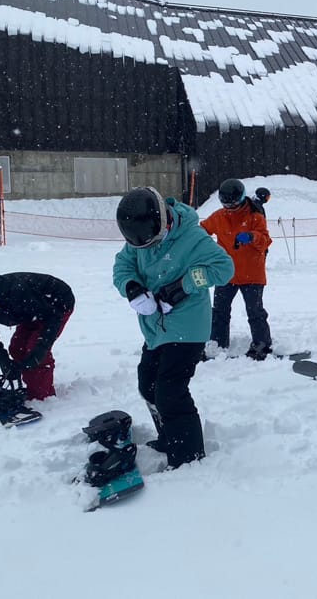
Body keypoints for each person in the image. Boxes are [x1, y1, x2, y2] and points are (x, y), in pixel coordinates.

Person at [113, 186, 234, 469]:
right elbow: (122, 266)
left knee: (170, 391)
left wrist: (183, 286)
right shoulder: (138, 238)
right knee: (148, 383)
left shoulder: (193, 237)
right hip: (156, 327)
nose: (143, 248)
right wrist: (131, 288)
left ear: (163, 221)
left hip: (188, 327)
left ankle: (188, 457)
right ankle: (169, 437)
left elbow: (224, 269)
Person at [200, 178, 274, 360]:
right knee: (219, 311)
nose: (230, 209)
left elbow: (266, 241)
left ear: (241, 199)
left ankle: (261, 343)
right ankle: (217, 343)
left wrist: (252, 236)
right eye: (226, 205)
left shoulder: (255, 217)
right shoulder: (218, 217)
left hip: (252, 274)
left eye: (233, 205)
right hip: (226, 273)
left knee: (255, 311)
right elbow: (201, 231)